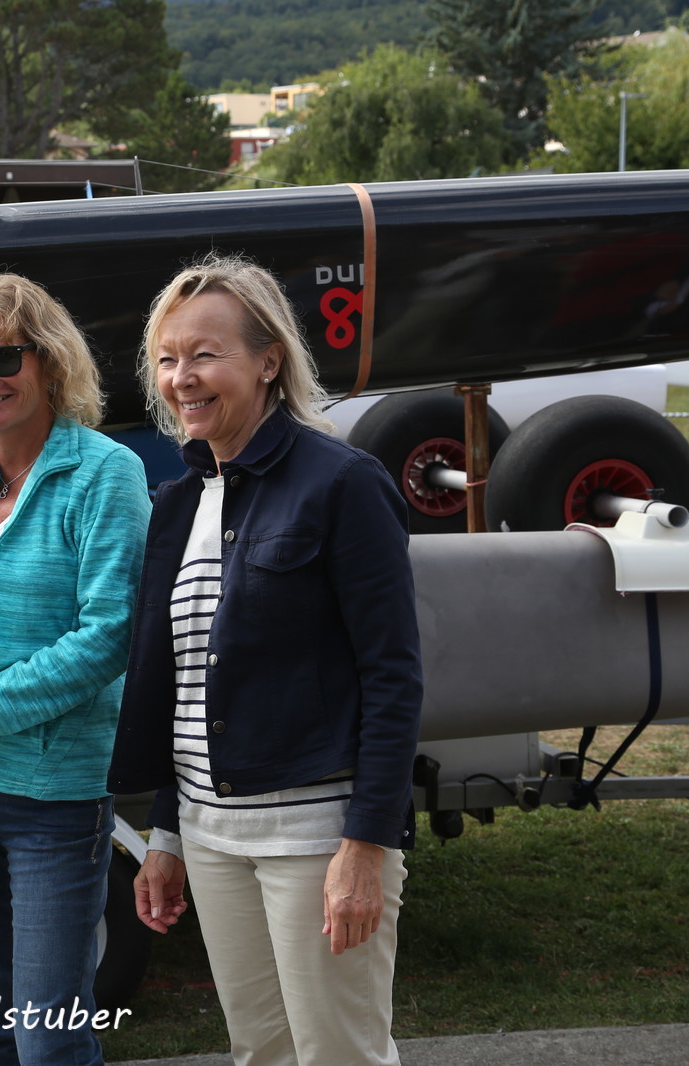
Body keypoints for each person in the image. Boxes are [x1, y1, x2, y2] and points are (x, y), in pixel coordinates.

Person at [107, 253, 423, 1066]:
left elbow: (394, 678)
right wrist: (170, 836)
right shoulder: (177, 501)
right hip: (211, 838)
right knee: (260, 1052)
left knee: (340, 1054)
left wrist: (367, 845)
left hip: (318, 836)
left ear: (269, 361)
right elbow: (182, 686)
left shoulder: (343, 483)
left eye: (206, 354)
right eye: (168, 359)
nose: (184, 378)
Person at [0, 274, 151, 1066]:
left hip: (52, 797)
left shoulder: (105, 474)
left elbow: (110, 635)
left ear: (47, 361)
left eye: (2, 357)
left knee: (50, 1039)